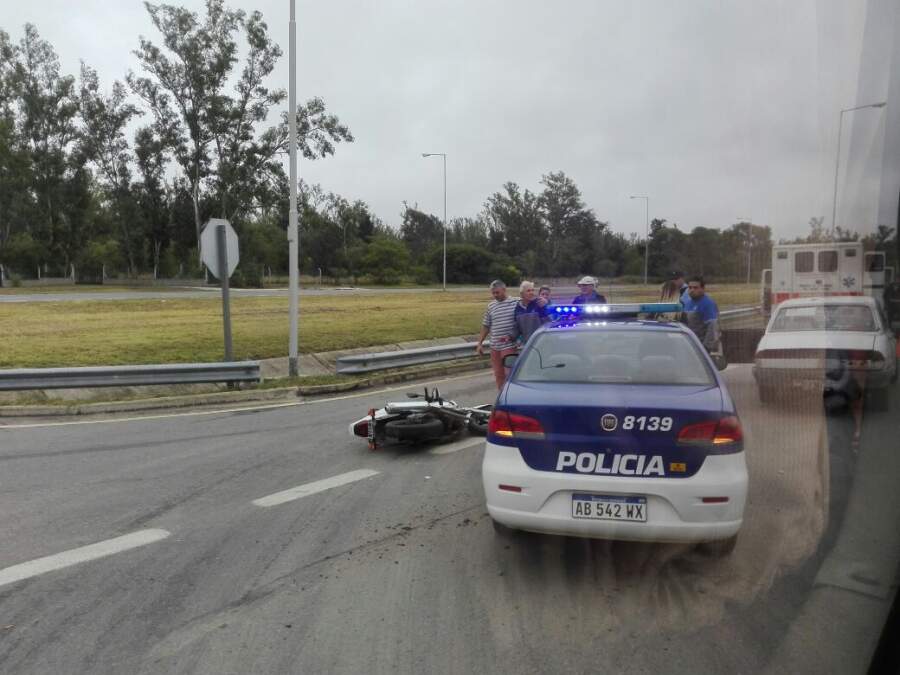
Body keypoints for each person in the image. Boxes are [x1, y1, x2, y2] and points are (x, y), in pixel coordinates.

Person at [476, 280, 520, 390]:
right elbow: (486, 326)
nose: (495, 295)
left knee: (509, 373)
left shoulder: (516, 302)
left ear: (504, 290)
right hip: (494, 346)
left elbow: (528, 306)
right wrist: (480, 343)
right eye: (493, 293)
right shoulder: (491, 306)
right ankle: (501, 396)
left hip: (509, 345)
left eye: (497, 292)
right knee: (498, 374)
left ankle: (511, 394)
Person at [681, 276, 722, 355]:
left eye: (695, 288)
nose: (692, 290)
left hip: (701, 349)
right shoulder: (687, 303)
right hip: (689, 346)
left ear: (703, 289)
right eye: (690, 287)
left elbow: (713, 327)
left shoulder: (707, 304)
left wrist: (705, 349)